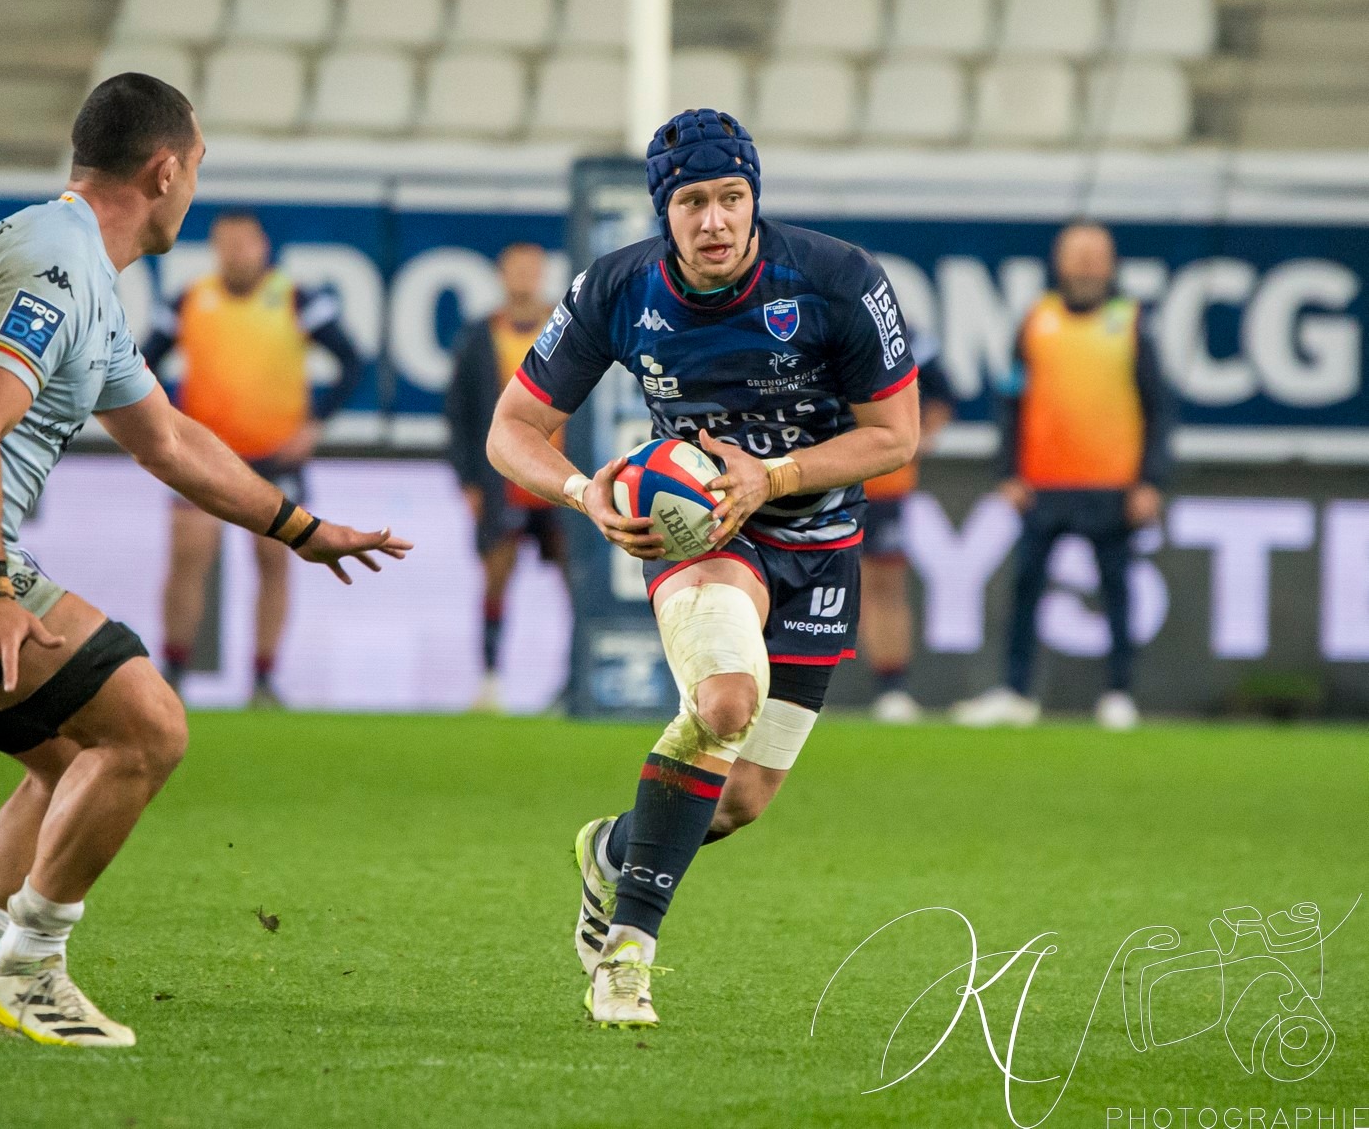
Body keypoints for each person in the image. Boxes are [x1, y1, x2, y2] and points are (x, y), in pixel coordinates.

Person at [0, 74, 410, 1049]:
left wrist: (300, 528)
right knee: (148, 725)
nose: (196, 190)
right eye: (198, 168)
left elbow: (167, 442)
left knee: (72, 768)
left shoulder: (80, 270)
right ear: (164, 171)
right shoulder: (52, 262)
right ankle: (29, 969)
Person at [487, 109, 920, 1026]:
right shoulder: (618, 287)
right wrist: (582, 492)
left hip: (820, 546)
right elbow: (511, 429)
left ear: (755, 197)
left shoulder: (838, 279)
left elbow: (895, 435)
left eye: (731, 197)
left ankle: (610, 852)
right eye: (692, 203)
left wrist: (774, 476)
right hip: (702, 535)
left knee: (739, 801)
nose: (715, 220)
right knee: (724, 703)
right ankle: (626, 958)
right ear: (664, 212)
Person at [953, 220, 1172, 732]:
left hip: (1111, 485)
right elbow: (1011, 400)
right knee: (1025, 590)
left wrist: (1151, 481)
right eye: (1078, 254)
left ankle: (1119, 693)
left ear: (1112, 263)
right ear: (1059, 260)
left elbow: (1159, 408)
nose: (1087, 265)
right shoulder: (1036, 321)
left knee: (1117, 592)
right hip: (1043, 485)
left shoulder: (1131, 322)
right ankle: (1016, 691)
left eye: (1096, 255)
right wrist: (1008, 471)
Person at [143, 210, 364, 706]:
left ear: (263, 246)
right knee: (188, 558)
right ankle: (173, 670)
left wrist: (314, 424)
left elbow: (353, 361)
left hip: (275, 456)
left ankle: (264, 677)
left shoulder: (298, 299)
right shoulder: (188, 300)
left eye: (244, 243)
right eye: (226, 243)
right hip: (205, 458)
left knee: (274, 562)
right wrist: (170, 424)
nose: (236, 253)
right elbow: (140, 362)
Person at [444, 241, 566, 712]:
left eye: (533, 269)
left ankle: (573, 679)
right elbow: (459, 413)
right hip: (504, 481)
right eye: (517, 269)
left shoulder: (568, 329)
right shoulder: (479, 336)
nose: (525, 278)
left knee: (576, 580)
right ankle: (490, 679)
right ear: (501, 274)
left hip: (563, 482)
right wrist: (468, 481)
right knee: (496, 578)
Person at [858, 328, 955, 722]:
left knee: (884, 584)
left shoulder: (898, 332)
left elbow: (943, 395)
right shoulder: (807, 322)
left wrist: (916, 439)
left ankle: (891, 687)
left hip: (883, 484)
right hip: (815, 479)